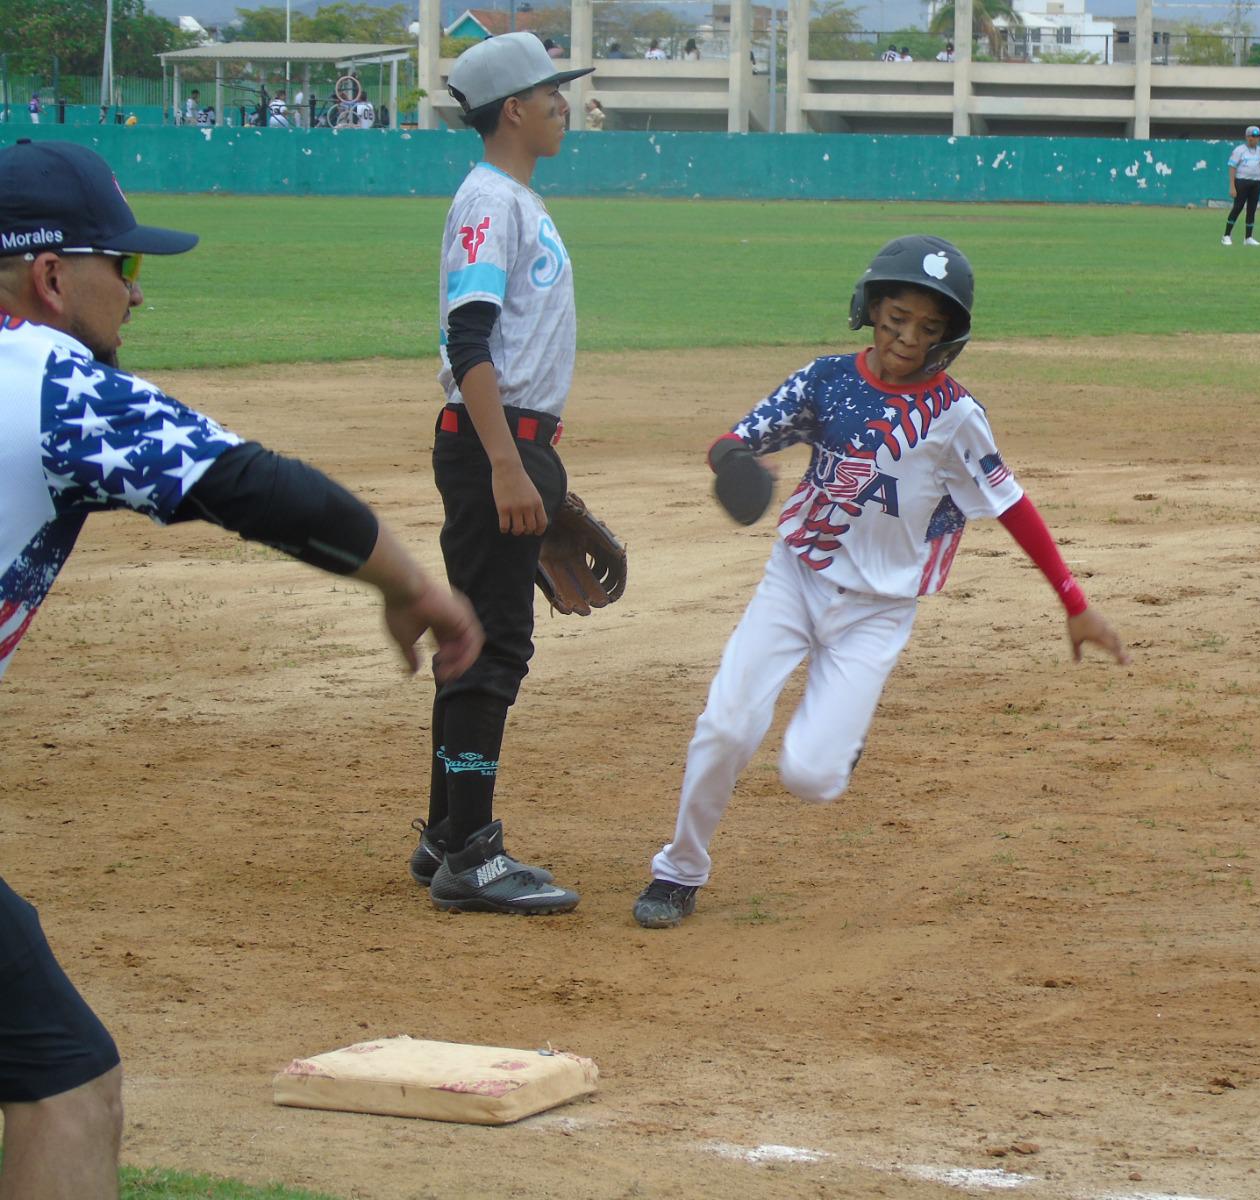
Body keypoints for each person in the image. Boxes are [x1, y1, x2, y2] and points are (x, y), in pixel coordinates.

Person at [0, 138, 482, 1200]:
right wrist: (410, 582)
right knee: (64, 1083)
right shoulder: (43, 380)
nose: (132, 293)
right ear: (48, 277)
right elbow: (252, 484)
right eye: (121, 268)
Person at [631, 235, 1130, 930]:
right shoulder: (826, 379)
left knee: (809, 776)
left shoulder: (955, 416)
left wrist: (1072, 601)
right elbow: (736, 437)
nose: (907, 338)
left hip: (879, 609)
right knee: (726, 725)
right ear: (871, 309)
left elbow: (1011, 503)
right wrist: (734, 464)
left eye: (928, 328)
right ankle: (679, 869)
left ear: (948, 339)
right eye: (896, 317)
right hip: (796, 579)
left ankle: (843, 739)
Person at [417, 33, 599, 915]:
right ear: (514, 110)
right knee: (495, 642)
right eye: (552, 92)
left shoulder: (509, 197)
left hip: (513, 441)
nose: (564, 103)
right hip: (495, 439)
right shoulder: (491, 202)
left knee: (477, 640)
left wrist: (532, 466)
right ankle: (473, 858)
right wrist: (505, 465)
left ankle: (446, 834)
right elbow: (469, 339)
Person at [1222, 124, 1260, 247]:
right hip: (1242, 182)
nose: (1255, 139)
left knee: (1252, 210)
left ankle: (1248, 237)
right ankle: (1226, 235)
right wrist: (1232, 186)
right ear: (1247, 137)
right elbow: (1232, 167)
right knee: (1237, 208)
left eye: (1257, 136)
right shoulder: (1239, 150)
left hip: (1256, 182)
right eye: (1252, 136)